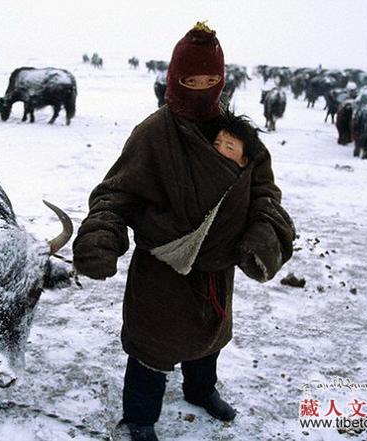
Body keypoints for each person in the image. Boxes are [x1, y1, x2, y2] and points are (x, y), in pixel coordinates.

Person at [72, 22, 295, 441]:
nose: (200, 89)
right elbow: (116, 195)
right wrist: (102, 234)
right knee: (151, 348)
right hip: (163, 267)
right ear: (175, 78)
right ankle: (139, 418)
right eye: (191, 81)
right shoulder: (153, 133)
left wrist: (264, 231)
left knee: (209, 339)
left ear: (222, 80)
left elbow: (264, 192)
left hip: (216, 267)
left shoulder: (239, 136)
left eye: (210, 81)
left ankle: (201, 390)